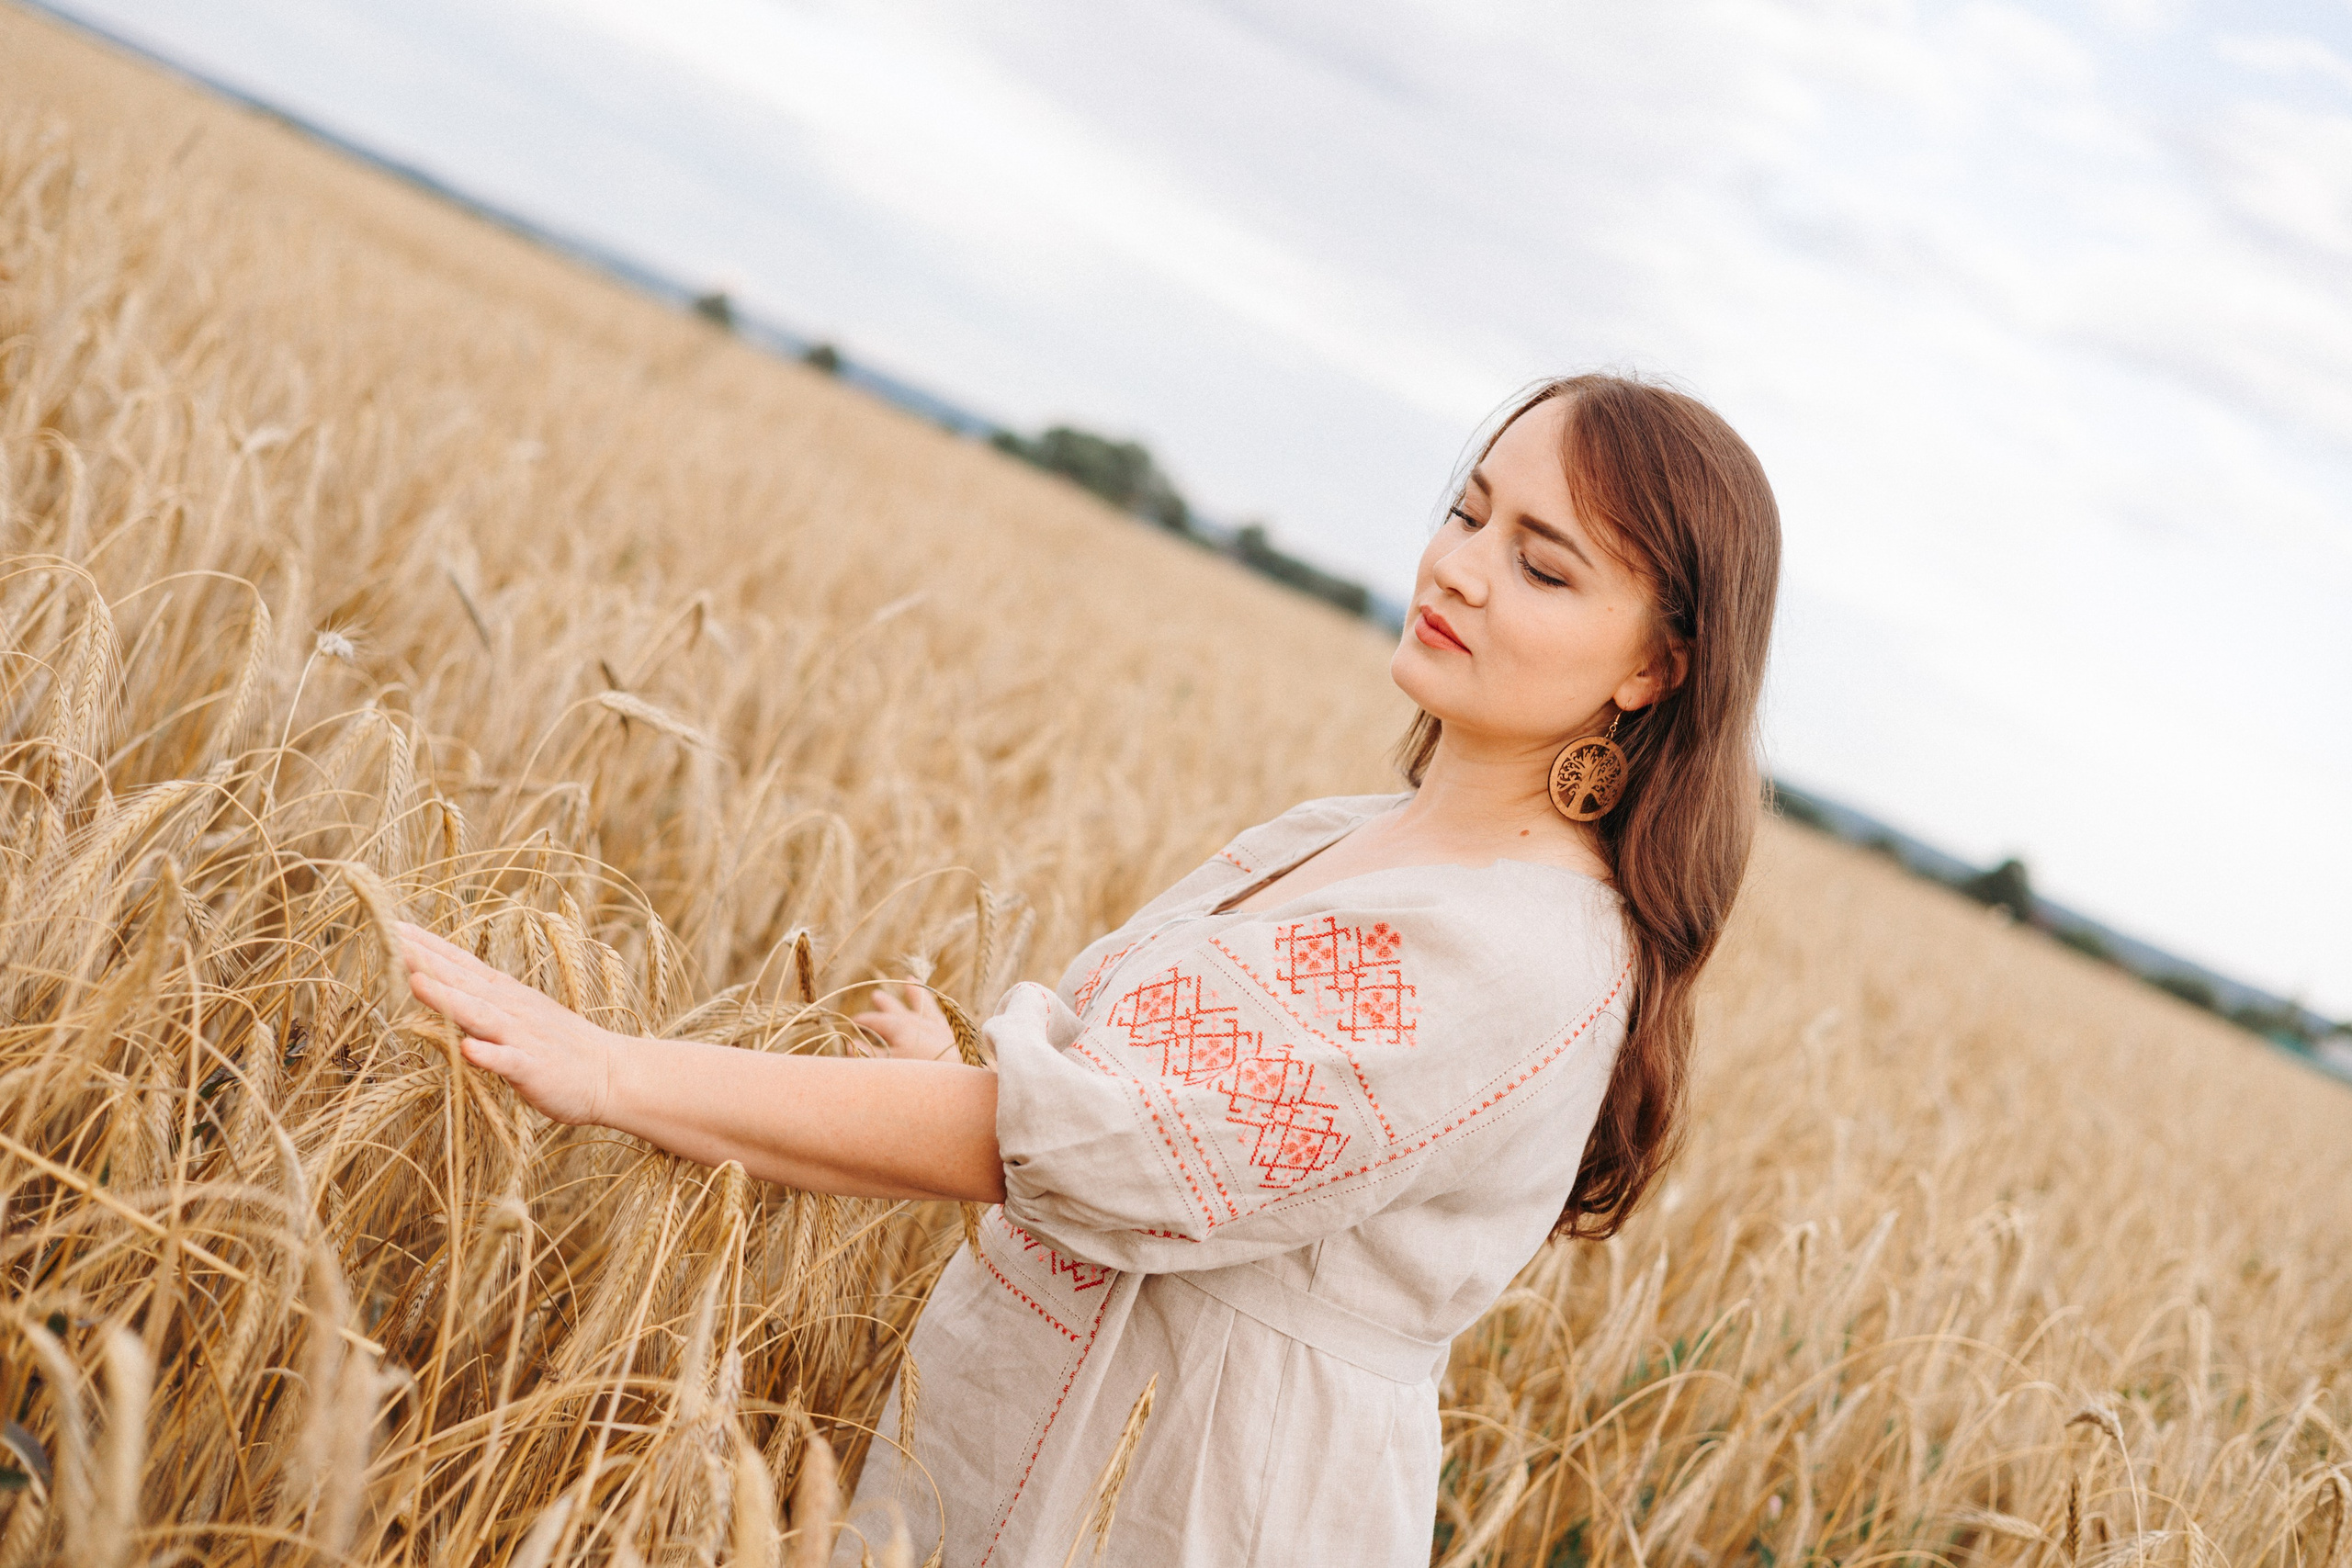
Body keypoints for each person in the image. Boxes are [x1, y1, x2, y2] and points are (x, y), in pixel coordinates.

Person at [395, 372, 1781, 1566]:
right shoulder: (1335, 839)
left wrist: (623, 1070)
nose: (1461, 568)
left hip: (1191, 1507)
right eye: (1469, 511)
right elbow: (1140, 1140)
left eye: (1544, 565)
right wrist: (977, 1100)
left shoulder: (1519, 951)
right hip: (1022, 1436)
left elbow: (1098, 1143)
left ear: (1659, 665)